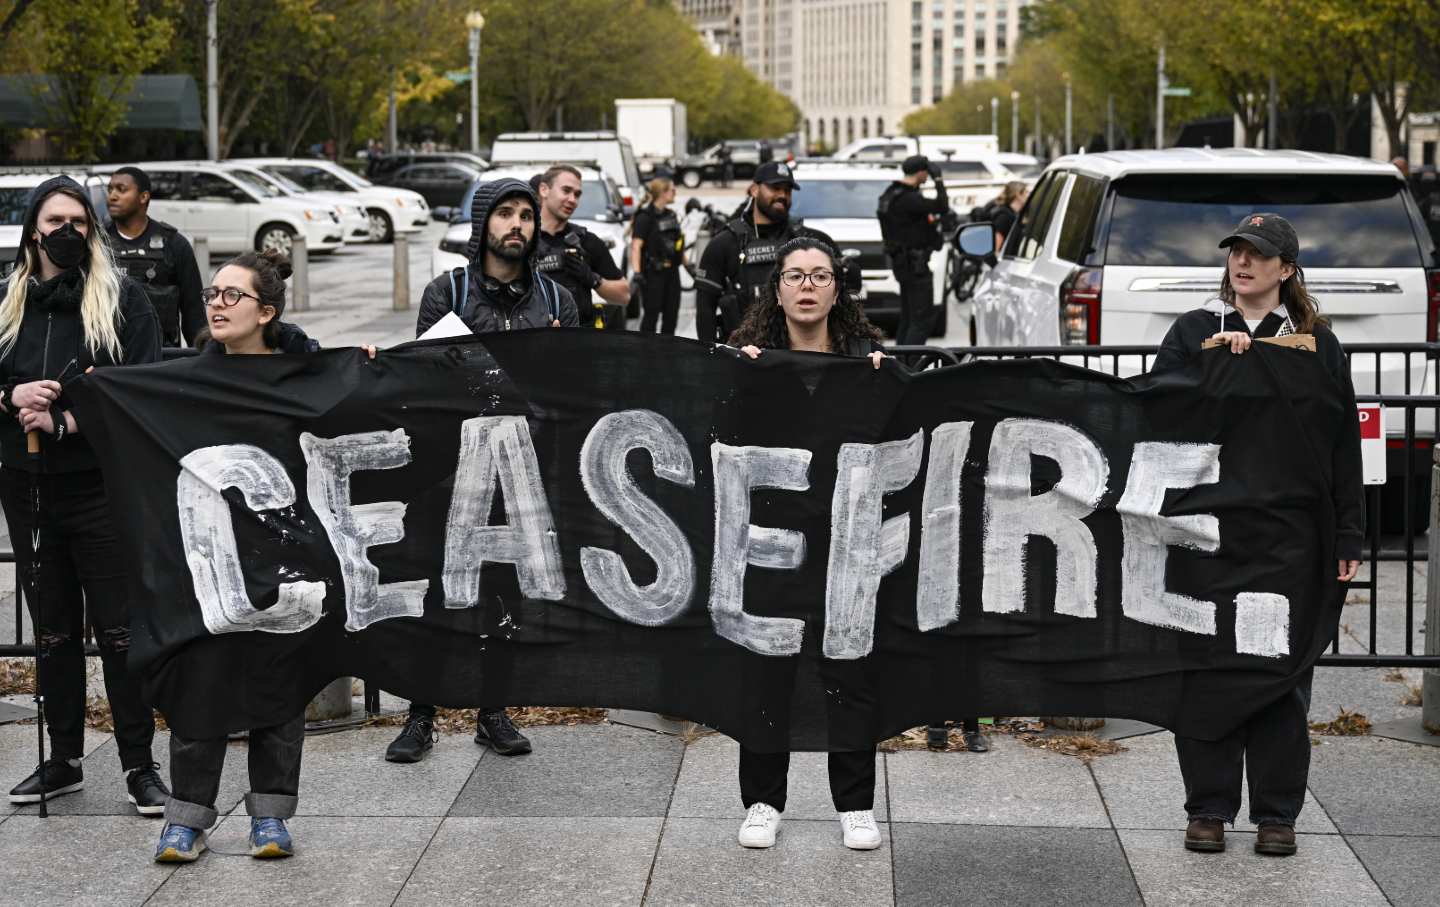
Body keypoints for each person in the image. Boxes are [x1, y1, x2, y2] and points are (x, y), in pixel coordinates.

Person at [1153, 213, 1363, 858]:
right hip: (1207, 533)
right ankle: (1208, 809)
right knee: (1207, 672)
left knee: (1281, 674)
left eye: (1258, 255)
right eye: (1236, 252)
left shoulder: (1317, 345)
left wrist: (1348, 536)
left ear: (1286, 270)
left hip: (1292, 537)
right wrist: (1215, 372)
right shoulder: (1194, 332)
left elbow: (1341, 446)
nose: (1243, 263)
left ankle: (1278, 814)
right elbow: (1157, 414)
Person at [154, 250, 348, 863]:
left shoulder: (304, 372)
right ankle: (186, 819)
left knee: (279, 685)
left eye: (231, 295)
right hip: (209, 560)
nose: (215, 302)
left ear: (265, 312)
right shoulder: (187, 377)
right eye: (212, 293)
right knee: (200, 681)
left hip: (286, 556)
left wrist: (366, 367)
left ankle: (270, 816)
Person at [0, 176, 167, 814]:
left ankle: (138, 766)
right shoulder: (9, 303)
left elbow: (142, 389)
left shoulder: (123, 300)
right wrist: (11, 397)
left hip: (101, 490)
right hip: (27, 489)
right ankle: (63, 757)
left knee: (121, 633)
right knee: (54, 633)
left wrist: (68, 420)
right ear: (32, 229)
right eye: (54, 220)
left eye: (78, 220)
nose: (66, 232)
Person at [399, 177, 578, 763]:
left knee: (503, 593)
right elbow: (424, 379)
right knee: (434, 589)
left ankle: (492, 711)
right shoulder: (445, 292)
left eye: (527, 214)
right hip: (448, 466)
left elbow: (574, 390)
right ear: (483, 225)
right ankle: (420, 713)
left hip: (521, 469)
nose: (518, 225)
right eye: (505, 213)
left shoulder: (556, 302)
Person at [726, 236, 888, 852]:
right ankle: (764, 800)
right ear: (777, 290)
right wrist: (735, 379)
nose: (807, 286)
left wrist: (889, 382)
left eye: (820, 276)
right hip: (770, 544)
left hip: (849, 544)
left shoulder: (866, 361)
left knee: (851, 670)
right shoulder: (752, 362)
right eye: (795, 276)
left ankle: (855, 803)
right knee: (767, 671)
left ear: (836, 290)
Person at [694, 162, 840, 345]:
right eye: (775, 188)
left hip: (800, 353)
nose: (782, 195)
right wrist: (711, 357)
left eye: (787, 190)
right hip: (742, 356)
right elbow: (705, 307)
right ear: (754, 190)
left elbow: (843, 295)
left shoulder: (813, 240)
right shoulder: (725, 243)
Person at [105, 166, 205, 347]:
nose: (112, 196)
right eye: (110, 189)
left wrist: (201, 359)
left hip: (162, 356)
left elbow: (194, 313)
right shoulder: (97, 242)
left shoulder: (174, 244)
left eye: (121, 189)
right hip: (110, 356)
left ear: (144, 197)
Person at [532, 165, 629, 329]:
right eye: (566, 190)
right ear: (544, 190)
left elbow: (624, 296)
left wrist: (593, 279)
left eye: (577, 194)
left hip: (580, 339)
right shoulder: (522, 241)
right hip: (531, 340)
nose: (572, 199)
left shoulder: (587, 242)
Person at [877, 155, 951, 345]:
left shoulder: (892, 193)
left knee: (909, 318)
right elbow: (942, 206)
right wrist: (939, 180)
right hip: (915, 266)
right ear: (920, 172)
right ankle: (912, 367)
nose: (928, 176)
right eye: (927, 172)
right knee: (921, 320)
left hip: (902, 264)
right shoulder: (909, 199)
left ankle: (901, 364)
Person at [629, 177, 683, 335]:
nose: (675, 192)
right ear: (663, 193)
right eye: (672, 190)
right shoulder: (645, 217)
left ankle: (667, 354)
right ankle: (646, 353)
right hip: (653, 274)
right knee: (651, 317)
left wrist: (690, 268)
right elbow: (636, 246)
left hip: (672, 274)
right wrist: (637, 272)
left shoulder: (671, 215)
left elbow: (678, 244)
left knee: (671, 317)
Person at [985, 180, 1028, 252]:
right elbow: (996, 247)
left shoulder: (1015, 214)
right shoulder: (1004, 217)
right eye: (1026, 192)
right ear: (1018, 195)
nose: (1029, 195)